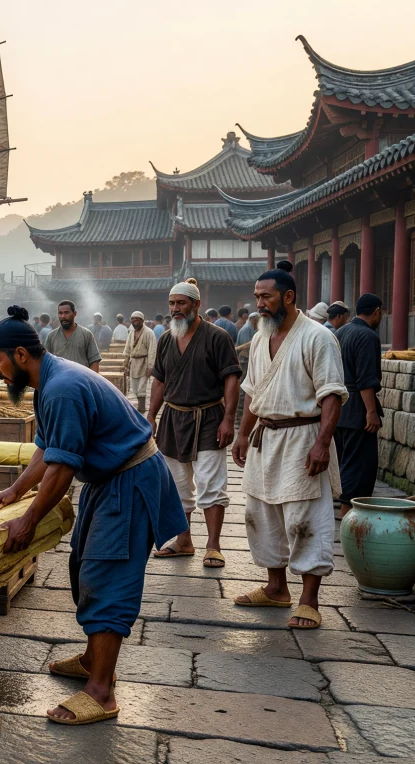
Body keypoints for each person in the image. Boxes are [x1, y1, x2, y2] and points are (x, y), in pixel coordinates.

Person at [0, 305, 186, 726]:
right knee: (83, 567)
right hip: (107, 479)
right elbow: (47, 449)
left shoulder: (62, 388)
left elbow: (62, 468)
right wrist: (16, 490)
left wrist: (28, 520)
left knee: (106, 574)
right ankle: (96, 659)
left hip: (128, 480)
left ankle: (101, 692)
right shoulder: (49, 382)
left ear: (21, 356)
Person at [232, 262, 346, 630]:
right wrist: (241, 433)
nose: (259, 304)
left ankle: (309, 600)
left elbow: (331, 396)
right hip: (265, 438)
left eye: (266, 297)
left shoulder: (317, 337)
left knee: (305, 518)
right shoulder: (261, 337)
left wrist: (322, 444)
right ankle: (276, 587)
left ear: (289, 297)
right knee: (261, 515)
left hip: (303, 439)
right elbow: (252, 392)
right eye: (256, 297)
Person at [147, 280, 241, 568]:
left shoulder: (217, 336)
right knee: (176, 485)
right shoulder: (165, 339)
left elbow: (231, 379)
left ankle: (213, 545)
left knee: (211, 484)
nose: (175, 309)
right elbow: (159, 380)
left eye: (181, 303)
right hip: (173, 419)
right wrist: (151, 415)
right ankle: (184, 540)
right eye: (172, 303)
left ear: (196, 305)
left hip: (209, 418)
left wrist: (228, 419)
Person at [334, 294, 383, 520]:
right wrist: (371, 412)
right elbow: (366, 380)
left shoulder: (340, 332)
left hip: (337, 407)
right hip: (357, 409)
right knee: (359, 465)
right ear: (377, 311)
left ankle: (345, 513)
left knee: (344, 460)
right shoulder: (368, 336)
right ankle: (348, 517)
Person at [44, 301, 101, 371]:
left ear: (74, 314)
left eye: (67, 312)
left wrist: (90, 380)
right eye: (60, 313)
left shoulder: (86, 334)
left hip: (81, 380)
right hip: (58, 380)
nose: (63, 316)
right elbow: (46, 362)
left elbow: (94, 361)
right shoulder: (51, 336)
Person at [122, 311, 156, 413]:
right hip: (134, 363)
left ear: (142, 320)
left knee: (142, 387)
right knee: (134, 386)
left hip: (144, 363)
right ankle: (139, 405)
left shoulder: (149, 333)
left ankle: (141, 407)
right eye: (132, 319)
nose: (134, 322)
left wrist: (150, 367)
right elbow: (127, 348)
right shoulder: (131, 332)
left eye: (137, 319)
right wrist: (126, 362)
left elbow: (152, 350)